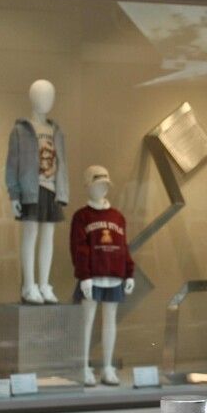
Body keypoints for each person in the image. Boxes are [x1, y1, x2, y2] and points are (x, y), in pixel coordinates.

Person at [70, 165, 135, 386]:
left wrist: (129, 272)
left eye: (105, 185)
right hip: (93, 276)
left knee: (110, 322)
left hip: (114, 276)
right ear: (88, 186)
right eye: (98, 184)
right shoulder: (82, 217)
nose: (102, 188)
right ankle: (83, 366)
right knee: (86, 321)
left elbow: (123, 246)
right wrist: (84, 275)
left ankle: (107, 367)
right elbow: (78, 248)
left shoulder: (117, 217)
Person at [6, 78, 69, 304]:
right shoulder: (21, 130)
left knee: (48, 236)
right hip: (31, 189)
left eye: (49, 96)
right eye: (42, 96)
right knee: (30, 235)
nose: (46, 101)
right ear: (33, 99)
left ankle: (44, 283)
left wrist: (63, 190)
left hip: (52, 189)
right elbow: (12, 164)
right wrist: (14, 194)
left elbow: (62, 161)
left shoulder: (56, 130)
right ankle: (29, 284)